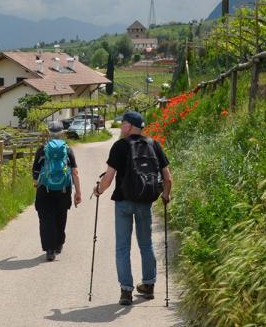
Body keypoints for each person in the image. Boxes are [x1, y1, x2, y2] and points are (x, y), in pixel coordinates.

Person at [92, 110, 172, 306]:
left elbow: (108, 179)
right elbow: (168, 177)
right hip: (145, 202)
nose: (121, 128)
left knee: (122, 247)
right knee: (146, 244)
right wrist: (165, 195)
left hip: (124, 202)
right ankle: (149, 285)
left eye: (122, 124)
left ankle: (126, 291)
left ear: (128, 125)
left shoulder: (120, 146)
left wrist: (98, 190)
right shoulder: (154, 144)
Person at [31, 120, 81, 261]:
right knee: (61, 216)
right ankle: (59, 243)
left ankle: (50, 250)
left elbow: (35, 171)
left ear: (48, 132)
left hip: (45, 189)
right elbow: (75, 172)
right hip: (63, 190)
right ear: (62, 133)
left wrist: (37, 185)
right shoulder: (67, 149)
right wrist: (78, 192)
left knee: (46, 219)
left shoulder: (42, 149)